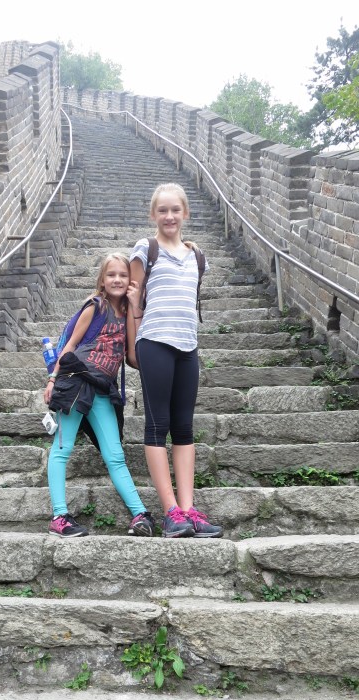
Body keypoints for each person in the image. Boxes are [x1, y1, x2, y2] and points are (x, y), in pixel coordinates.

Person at [126, 183, 222, 539]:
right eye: (162, 210)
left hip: (187, 346)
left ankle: (188, 509)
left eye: (175, 210)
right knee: (157, 424)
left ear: (185, 214)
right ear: (154, 215)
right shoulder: (145, 249)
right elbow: (133, 303)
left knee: (184, 427)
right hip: (154, 342)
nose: (169, 216)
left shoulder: (197, 256)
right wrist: (133, 346)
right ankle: (170, 512)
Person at [44, 253, 154, 538]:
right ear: (102, 281)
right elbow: (70, 345)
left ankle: (140, 515)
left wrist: (134, 306)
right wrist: (52, 379)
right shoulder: (95, 307)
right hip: (76, 382)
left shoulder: (127, 312)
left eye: (122, 275)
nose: (117, 279)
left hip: (104, 389)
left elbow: (132, 357)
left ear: (131, 280)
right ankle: (59, 517)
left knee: (115, 455)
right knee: (62, 448)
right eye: (111, 275)